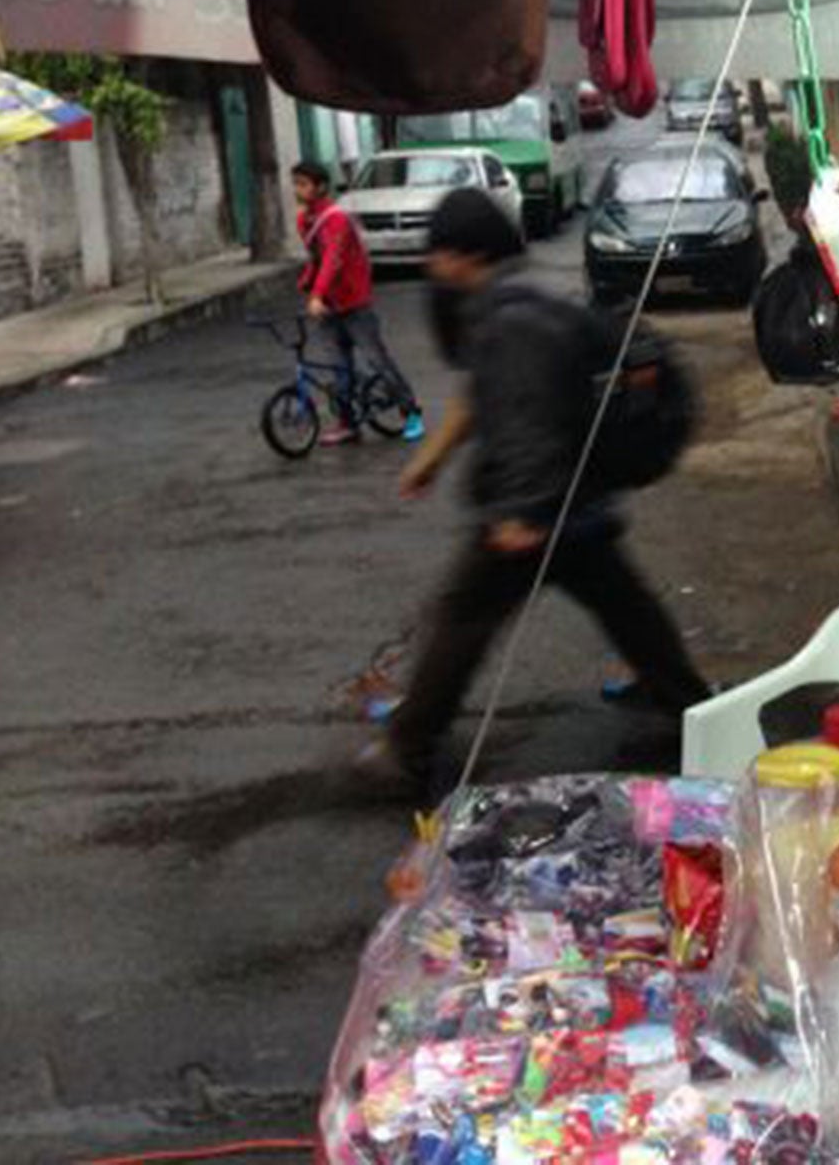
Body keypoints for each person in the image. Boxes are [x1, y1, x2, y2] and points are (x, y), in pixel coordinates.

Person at [358, 188, 712, 790]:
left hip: (542, 510)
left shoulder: (511, 322)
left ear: (467, 255)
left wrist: (523, 511)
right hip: (578, 505)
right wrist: (432, 460)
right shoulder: (514, 307)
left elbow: (530, 418)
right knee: (629, 610)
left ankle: (408, 746)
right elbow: (481, 397)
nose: (432, 268)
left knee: (462, 618)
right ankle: (692, 709)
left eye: (438, 253)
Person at [292, 160, 424, 444]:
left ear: (321, 187)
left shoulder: (336, 219)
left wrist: (316, 294)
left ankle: (411, 412)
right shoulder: (304, 220)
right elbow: (316, 259)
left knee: (377, 360)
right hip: (329, 305)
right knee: (339, 367)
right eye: (296, 184)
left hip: (355, 302)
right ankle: (347, 423)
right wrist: (308, 284)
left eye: (303, 184)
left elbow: (333, 259)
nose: (298, 190)